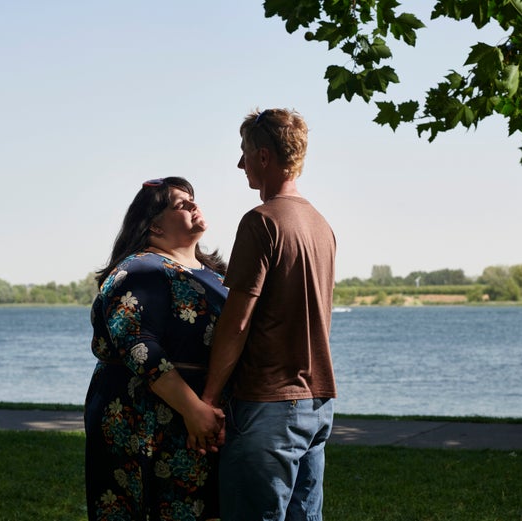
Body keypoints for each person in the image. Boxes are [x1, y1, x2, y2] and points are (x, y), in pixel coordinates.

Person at [198, 108, 338, 521]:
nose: (240, 164)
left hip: (269, 405)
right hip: (316, 404)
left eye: (244, 153)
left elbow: (238, 321)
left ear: (264, 157)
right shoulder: (321, 225)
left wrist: (209, 398)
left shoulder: (261, 222)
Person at [84, 176, 228, 521]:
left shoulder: (218, 276)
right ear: (153, 226)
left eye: (193, 199)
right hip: (142, 419)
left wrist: (208, 409)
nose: (194, 205)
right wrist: (193, 409)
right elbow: (138, 346)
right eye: (181, 204)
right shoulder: (139, 271)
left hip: (202, 419)